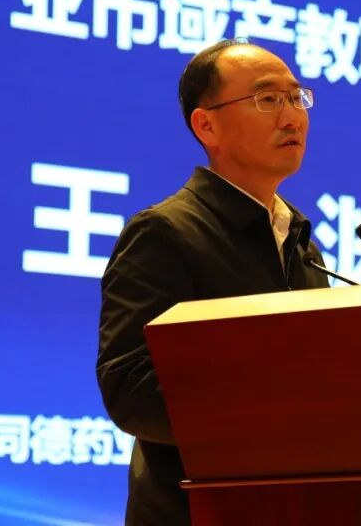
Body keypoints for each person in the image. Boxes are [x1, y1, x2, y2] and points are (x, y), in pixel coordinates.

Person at [96, 38, 330, 525]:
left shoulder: (299, 241)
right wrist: (276, 413)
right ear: (207, 125)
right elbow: (130, 389)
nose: (292, 117)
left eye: (296, 97)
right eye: (268, 99)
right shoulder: (166, 232)